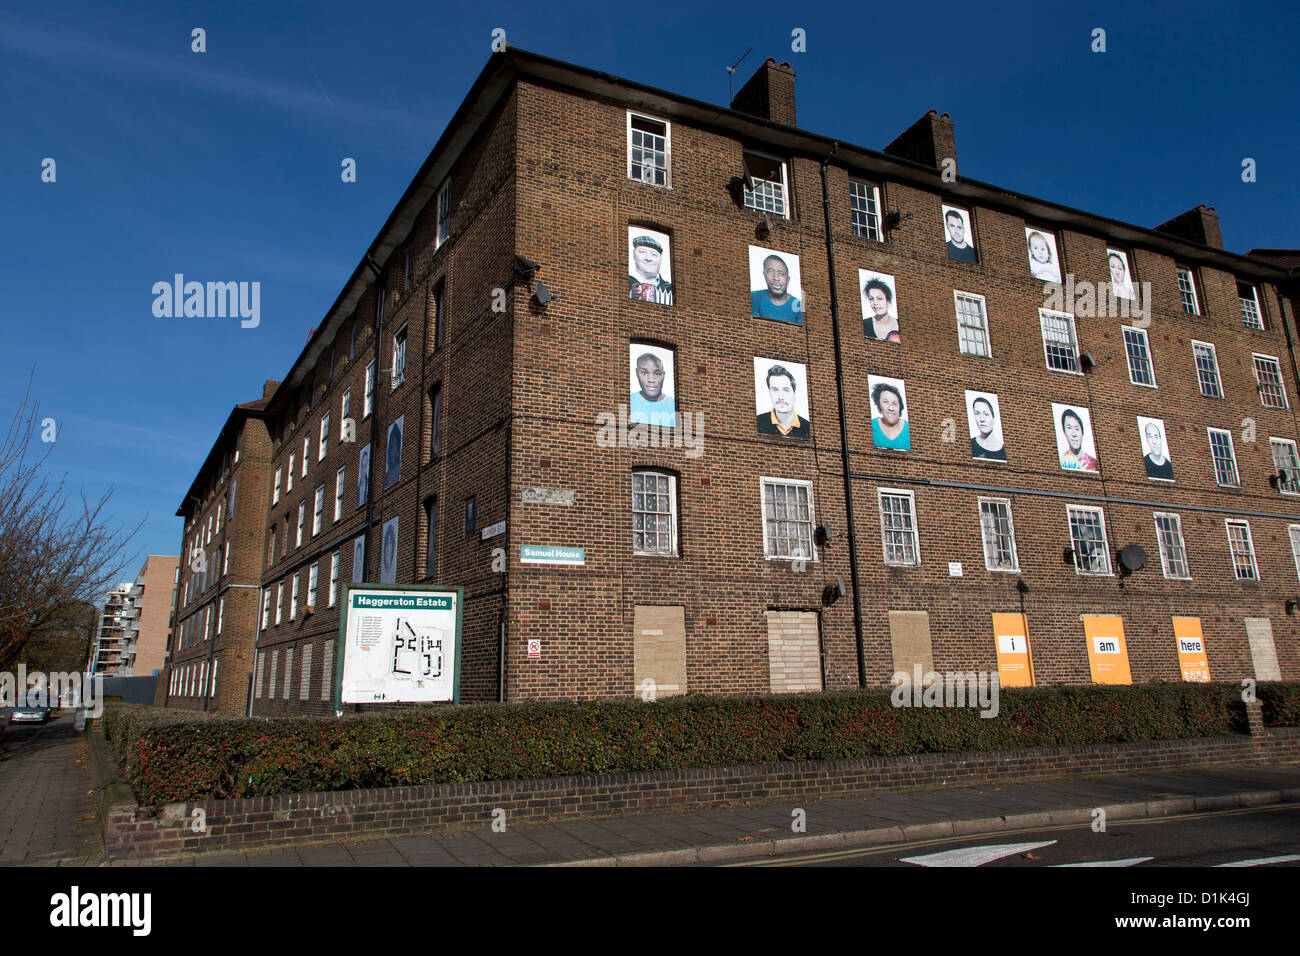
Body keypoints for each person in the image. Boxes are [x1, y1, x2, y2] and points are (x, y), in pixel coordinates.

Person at [756, 364, 810, 437]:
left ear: (794, 394)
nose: (780, 397)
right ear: (769, 393)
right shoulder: (758, 422)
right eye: (775, 390)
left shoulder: (807, 428)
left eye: (786, 390)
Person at [629, 352, 677, 427]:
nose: (651, 380)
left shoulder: (674, 405)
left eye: (657, 374)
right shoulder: (629, 400)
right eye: (644, 373)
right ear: (637, 373)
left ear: (663, 375)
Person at [751, 255, 803, 323]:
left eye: (781, 274)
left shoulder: (799, 306)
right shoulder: (752, 297)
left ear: (788, 280)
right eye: (770, 271)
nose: (776, 278)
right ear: (764, 275)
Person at [628, 234, 673, 304]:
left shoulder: (669, 289)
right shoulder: (625, 282)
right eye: (642, 252)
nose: (648, 258)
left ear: (661, 259)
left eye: (654, 254)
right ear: (634, 254)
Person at [871, 381, 910, 450]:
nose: (891, 408)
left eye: (894, 403)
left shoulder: (909, 429)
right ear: (879, 405)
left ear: (900, 406)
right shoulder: (871, 426)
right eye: (885, 402)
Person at [1059, 407, 1098, 471]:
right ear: (1064, 432)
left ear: (1082, 433)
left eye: (1077, 429)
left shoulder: (1094, 463)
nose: (1074, 434)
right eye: (1069, 428)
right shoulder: (1062, 461)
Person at [862, 278, 901, 342]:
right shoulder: (865, 324)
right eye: (871, 299)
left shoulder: (899, 324)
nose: (875, 303)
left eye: (879, 298)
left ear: (888, 301)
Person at [970, 396, 1006, 460]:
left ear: (993, 418)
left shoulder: (1003, 450)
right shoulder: (971, 444)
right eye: (977, 413)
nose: (982, 419)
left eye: (986, 414)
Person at [386, 421, 402, 487]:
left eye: (395, 445)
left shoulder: (399, 467)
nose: (393, 450)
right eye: (391, 446)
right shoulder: (388, 473)